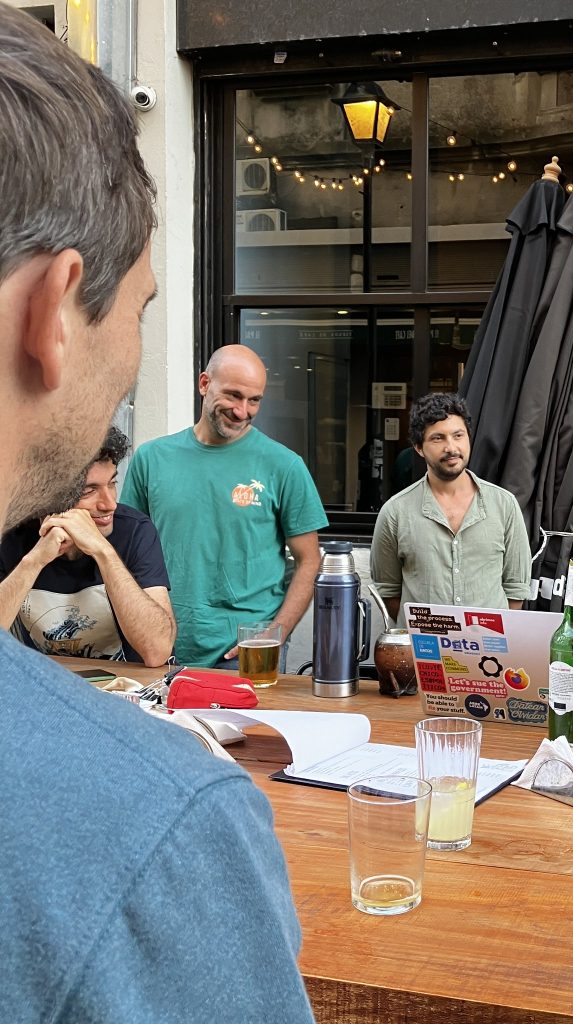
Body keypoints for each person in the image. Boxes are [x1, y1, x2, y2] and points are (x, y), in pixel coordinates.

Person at [0, 8, 314, 1022]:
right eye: (138, 309)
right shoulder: (168, 827)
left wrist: (276, 631)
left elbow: (303, 554)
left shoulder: (277, 467)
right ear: (56, 310)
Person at [120, 344, 328, 668]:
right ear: (204, 384)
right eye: (233, 396)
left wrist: (277, 632)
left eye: (254, 400)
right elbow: (126, 550)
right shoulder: (151, 458)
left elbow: (309, 560)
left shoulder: (284, 465)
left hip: (243, 651)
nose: (242, 411)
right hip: (159, 647)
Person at [0, 425, 175, 666]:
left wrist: (103, 552)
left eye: (112, 483)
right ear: (46, 495)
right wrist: (34, 561)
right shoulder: (11, 534)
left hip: (128, 682)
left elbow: (157, 651)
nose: (110, 504)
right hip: (46, 681)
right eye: (89, 490)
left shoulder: (135, 531)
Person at [370, 392, 531, 623]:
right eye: (438, 438)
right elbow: (389, 592)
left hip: (488, 643)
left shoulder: (504, 505)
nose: (451, 447)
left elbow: (516, 590)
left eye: (458, 435)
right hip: (422, 643)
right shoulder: (395, 512)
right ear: (419, 447)